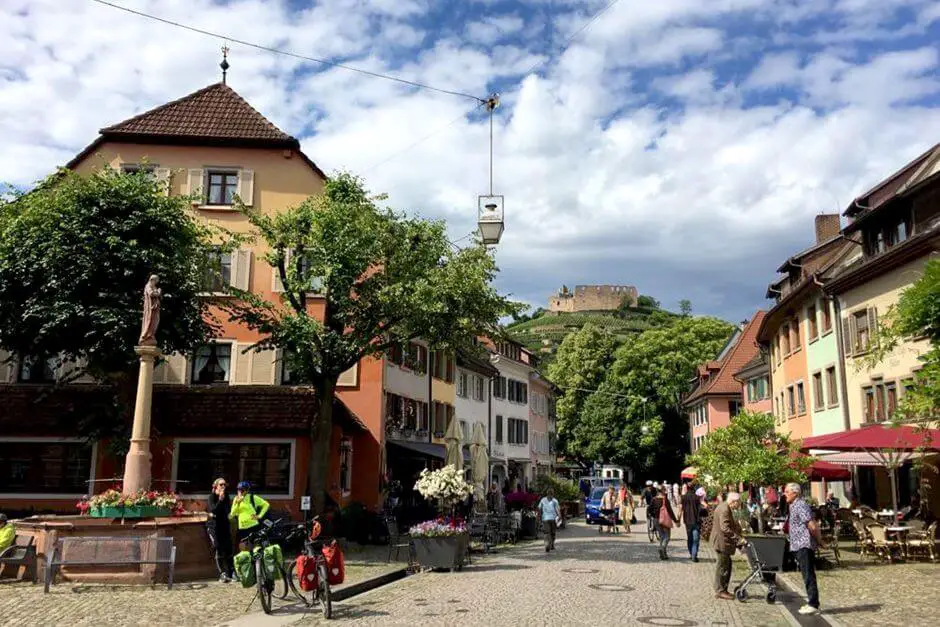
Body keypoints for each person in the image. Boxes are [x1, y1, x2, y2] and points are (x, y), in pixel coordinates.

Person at [785, 483, 824, 616]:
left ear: (795, 493)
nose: (785, 494)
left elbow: (812, 525)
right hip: (798, 545)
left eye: (787, 491)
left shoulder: (800, 505)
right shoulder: (793, 505)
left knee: (808, 574)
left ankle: (813, 604)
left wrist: (820, 541)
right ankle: (812, 602)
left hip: (803, 545)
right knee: (806, 574)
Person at [711, 492, 745, 600]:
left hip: (722, 541)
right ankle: (720, 590)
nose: (739, 505)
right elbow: (725, 528)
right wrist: (738, 539)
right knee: (723, 566)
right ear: (733, 501)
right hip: (722, 542)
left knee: (726, 565)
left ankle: (722, 589)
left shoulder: (724, 507)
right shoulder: (725, 509)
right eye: (738, 503)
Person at [207, 478, 234, 582]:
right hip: (214, 526)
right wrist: (220, 500)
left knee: (228, 549)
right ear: (216, 486)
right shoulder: (211, 497)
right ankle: (222, 574)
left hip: (224, 525)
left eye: (225, 485)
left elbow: (228, 510)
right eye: (221, 484)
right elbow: (213, 511)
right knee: (218, 548)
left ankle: (231, 573)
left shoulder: (226, 496)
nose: (223, 486)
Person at [649, 485, 679, 560]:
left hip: (656, 520)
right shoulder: (665, 500)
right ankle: (662, 548)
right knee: (667, 537)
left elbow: (649, 510)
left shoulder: (654, 499)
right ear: (662, 491)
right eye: (664, 490)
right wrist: (675, 521)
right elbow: (670, 511)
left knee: (662, 536)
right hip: (664, 519)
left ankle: (663, 554)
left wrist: (653, 515)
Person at [679, 483, 705, 562]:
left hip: (687, 521)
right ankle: (694, 555)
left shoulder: (683, 497)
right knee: (696, 539)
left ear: (686, 488)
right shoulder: (697, 498)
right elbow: (703, 506)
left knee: (690, 538)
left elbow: (680, 509)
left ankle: (691, 553)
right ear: (694, 489)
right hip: (696, 520)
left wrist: (678, 519)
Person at [538, 488, 561, 552]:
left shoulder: (544, 500)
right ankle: (549, 545)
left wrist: (539, 516)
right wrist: (559, 516)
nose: (550, 495)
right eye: (550, 494)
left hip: (546, 519)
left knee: (548, 532)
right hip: (551, 519)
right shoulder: (554, 500)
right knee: (551, 533)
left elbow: (539, 508)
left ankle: (548, 544)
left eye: (551, 494)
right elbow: (557, 510)